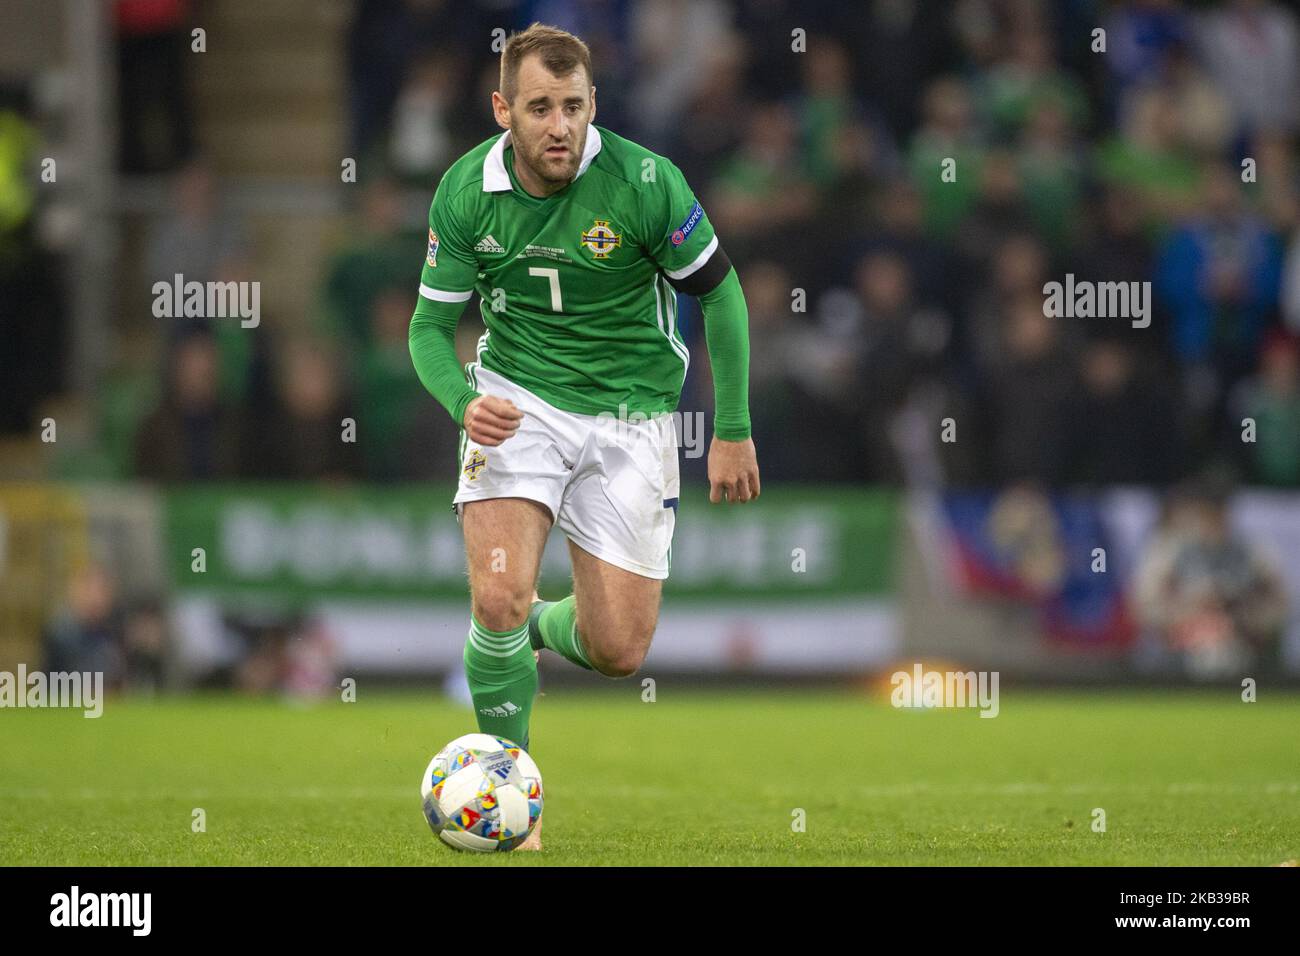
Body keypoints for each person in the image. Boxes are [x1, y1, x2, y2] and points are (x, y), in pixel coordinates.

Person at [407, 23, 758, 850]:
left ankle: (532, 625)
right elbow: (429, 326)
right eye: (539, 108)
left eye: (573, 106)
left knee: (618, 649)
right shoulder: (465, 193)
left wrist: (733, 429)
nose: (559, 125)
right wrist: (464, 400)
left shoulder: (645, 181)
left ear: (593, 103)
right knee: (493, 594)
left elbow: (724, 296)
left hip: (631, 416)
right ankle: (509, 794)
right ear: (503, 111)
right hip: (516, 401)